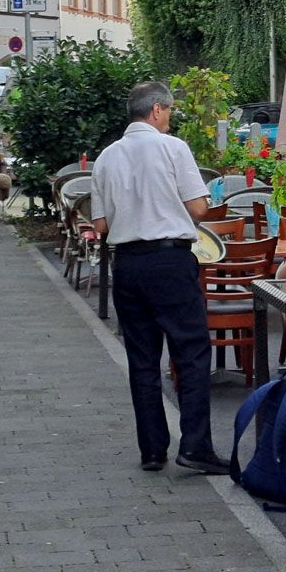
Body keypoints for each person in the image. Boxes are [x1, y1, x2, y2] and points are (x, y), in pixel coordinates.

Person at [90, 80, 230, 476]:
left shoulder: (105, 158)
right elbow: (199, 209)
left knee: (142, 359)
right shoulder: (173, 148)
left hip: (128, 264)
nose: (170, 118)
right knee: (191, 352)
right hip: (170, 261)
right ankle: (196, 446)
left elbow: (100, 224)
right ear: (156, 111)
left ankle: (152, 450)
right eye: (168, 111)